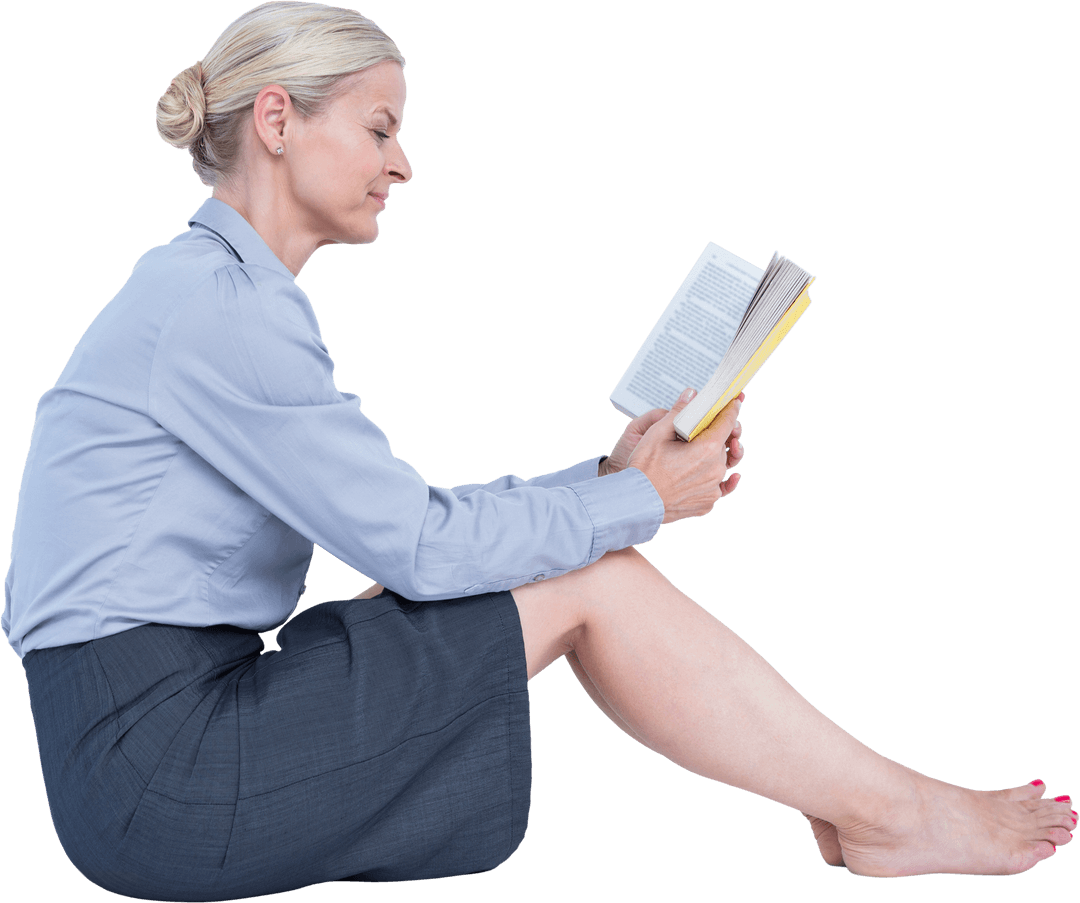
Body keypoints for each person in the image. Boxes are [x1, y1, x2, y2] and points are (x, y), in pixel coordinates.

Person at [3, 2, 1073, 900]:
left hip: (158, 739)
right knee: (591, 581)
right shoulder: (220, 312)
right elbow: (422, 544)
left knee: (537, 569)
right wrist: (634, 505)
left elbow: (405, 533)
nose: (403, 163)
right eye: (380, 129)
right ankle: (895, 813)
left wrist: (608, 482)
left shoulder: (209, 295)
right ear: (277, 119)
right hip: (162, 771)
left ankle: (859, 810)